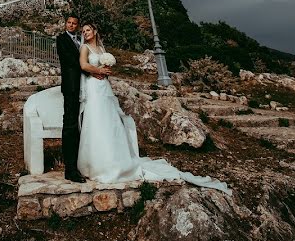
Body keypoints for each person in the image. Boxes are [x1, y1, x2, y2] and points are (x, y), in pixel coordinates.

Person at [76, 23, 231, 194]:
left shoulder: (100, 47)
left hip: (104, 86)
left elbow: (104, 67)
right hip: (94, 87)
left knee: (108, 122)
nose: (85, 33)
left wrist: (106, 71)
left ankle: (112, 160)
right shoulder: (84, 47)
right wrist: (98, 70)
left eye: (88, 30)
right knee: (96, 121)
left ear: (95, 31)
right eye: (83, 31)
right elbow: (83, 65)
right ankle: (95, 163)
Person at [55, 16, 111, 183]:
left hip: (88, 88)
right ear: (65, 24)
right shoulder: (61, 40)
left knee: (89, 126)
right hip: (72, 88)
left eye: (74, 24)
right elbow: (74, 62)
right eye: (69, 23)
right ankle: (70, 169)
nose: (71, 25)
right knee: (70, 125)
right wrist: (94, 71)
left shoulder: (82, 41)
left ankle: (91, 163)